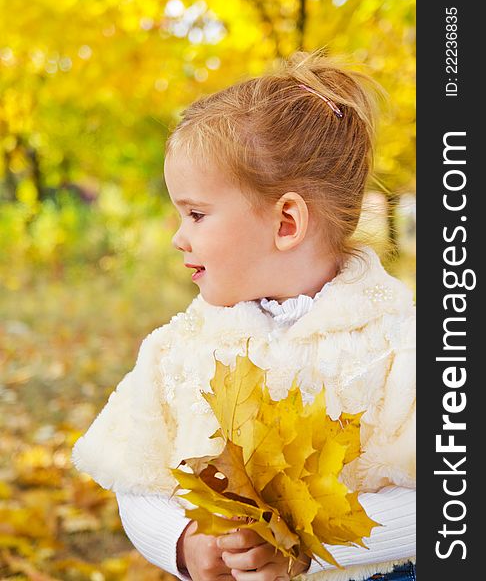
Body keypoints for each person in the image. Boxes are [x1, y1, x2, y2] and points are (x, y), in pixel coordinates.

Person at [72, 50, 416, 581]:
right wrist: (186, 545)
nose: (178, 236)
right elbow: (137, 482)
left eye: (197, 214)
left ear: (285, 223)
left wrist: (306, 544)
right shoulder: (180, 349)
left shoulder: (402, 346)